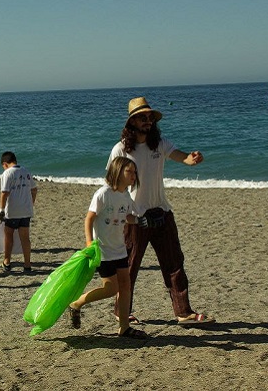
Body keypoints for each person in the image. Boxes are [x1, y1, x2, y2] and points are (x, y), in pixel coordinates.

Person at [107, 97, 215, 325]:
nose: (148, 121)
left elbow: (181, 156)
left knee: (174, 263)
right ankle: (121, 312)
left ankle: (183, 312)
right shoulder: (120, 149)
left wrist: (191, 159)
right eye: (143, 117)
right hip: (136, 218)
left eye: (150, 118)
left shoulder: (160, 143)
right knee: (129, 267)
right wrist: (123, 213)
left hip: (163, 213)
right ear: (132, 122)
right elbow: (112, 182)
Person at [68, 157, 149, 339]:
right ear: (118, 172)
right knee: (111, 289)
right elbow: (89, 219)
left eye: (135, 172)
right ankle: (77, 303)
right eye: (130, 172)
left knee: (126, 286)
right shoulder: (103, 194)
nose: (133, 176)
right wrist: (90, 244)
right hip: (102, 249)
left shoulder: (126, 195)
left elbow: (127, 216)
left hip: (119, 248)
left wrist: (138, 221)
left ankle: (124, 327)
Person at [0, 151, 37, 273]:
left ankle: (7, 261)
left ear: (5, 164)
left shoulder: (7, 173)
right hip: (25, 210)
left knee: (9, 237)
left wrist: (1, 210)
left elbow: (4, 193)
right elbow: (34, 189)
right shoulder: (25, 171)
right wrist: (31, 203)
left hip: (12, 211)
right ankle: (27, 264)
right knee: (25, 238)